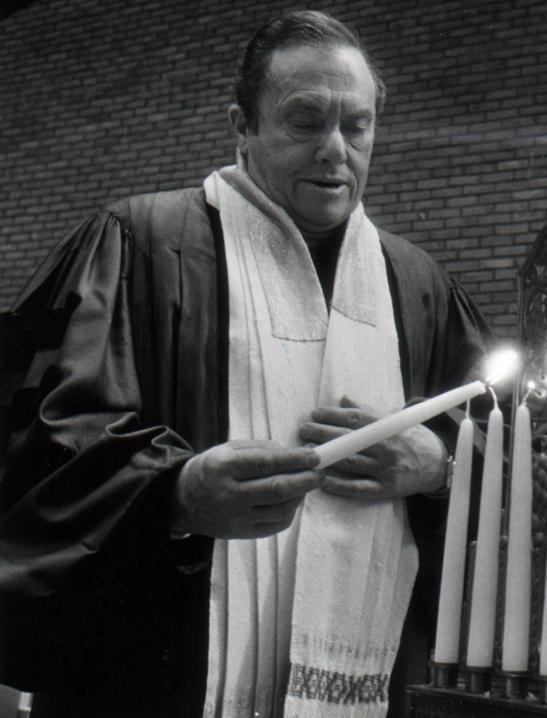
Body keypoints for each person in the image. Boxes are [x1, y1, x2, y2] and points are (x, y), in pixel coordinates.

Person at [0, 10, 491, 718]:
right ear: (242, 125)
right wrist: (174, 491)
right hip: (165, 674)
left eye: (357, 125)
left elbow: (506, 449)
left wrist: (438, 468)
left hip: (378, 673)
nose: (335, 149)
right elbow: (46, 442)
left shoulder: (418, 284)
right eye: (304, 120)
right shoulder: (138, 245)